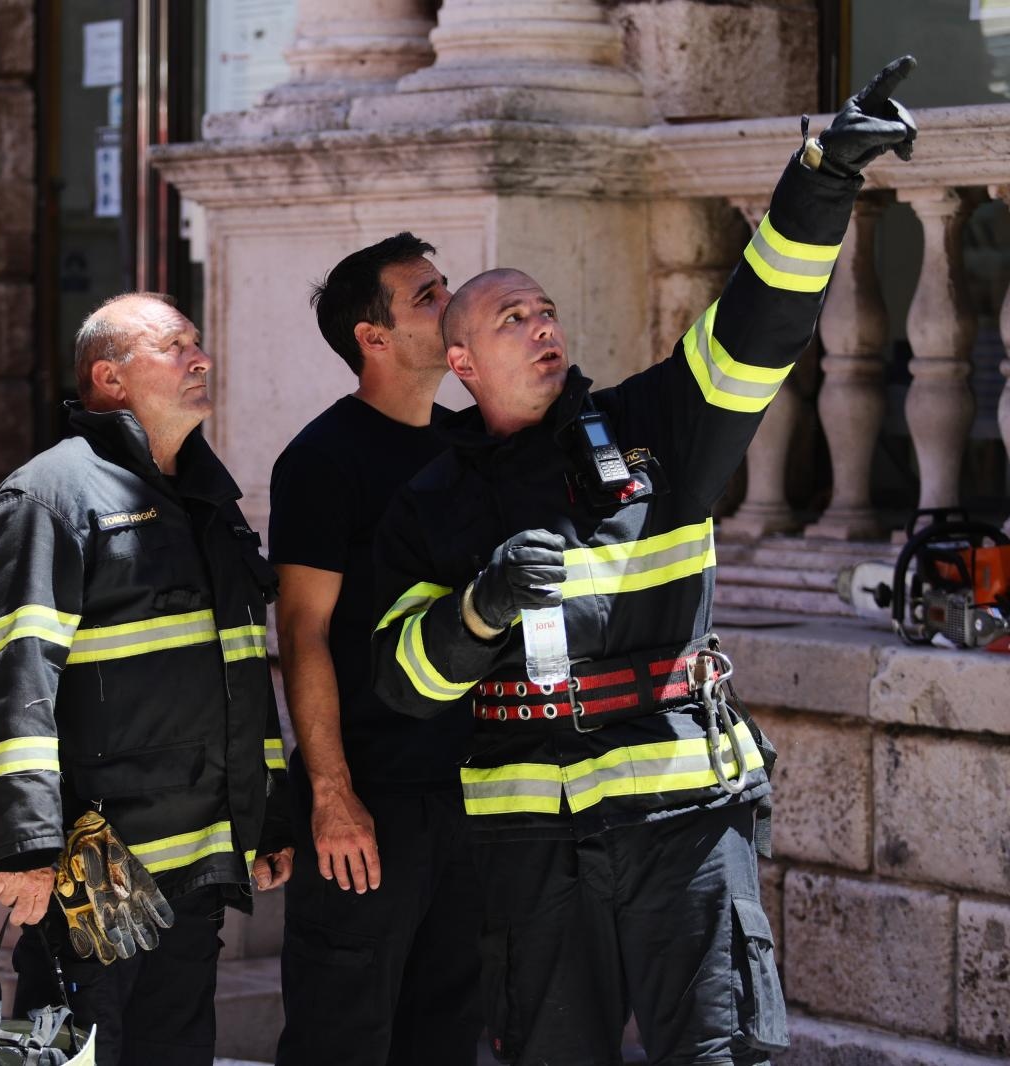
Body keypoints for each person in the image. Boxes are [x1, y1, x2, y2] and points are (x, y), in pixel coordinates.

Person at [370, 59, 918, 1066]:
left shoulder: (654, 425)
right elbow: (400, 682)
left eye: (544, 311)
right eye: (511, 320)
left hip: (685, 823)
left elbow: (759, 324)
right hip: (533, 853)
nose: (541, 328)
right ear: (461, 362)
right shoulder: (432, 503)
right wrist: (480, 610)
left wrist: (819, 182)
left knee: (718, 1053)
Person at [0, 292, 294, 1066]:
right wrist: (30, 844)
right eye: (174, 346)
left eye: (198, 343)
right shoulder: (49, 497)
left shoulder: (209, 497)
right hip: (95, 873)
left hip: (201, 863)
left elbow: (243, 670)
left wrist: (270, 813)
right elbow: (10, 681)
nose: (200, 358)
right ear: (109, 378)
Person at [267, 234, 485, 1065]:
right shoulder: (323, 459)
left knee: (445, 1035)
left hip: (468, 797)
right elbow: (303, 632)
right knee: (342, 1038)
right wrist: (330, 795)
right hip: (370, 803)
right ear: (374, 337)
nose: (449, 302)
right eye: (426, 296)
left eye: (445, 286)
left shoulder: (470, 446)